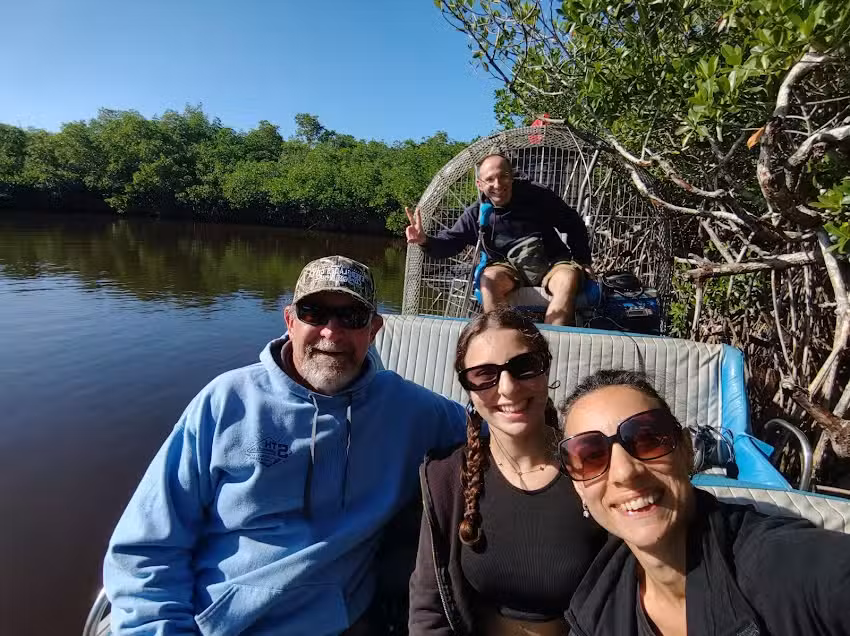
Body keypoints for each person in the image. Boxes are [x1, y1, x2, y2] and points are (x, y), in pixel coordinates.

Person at [103, 256, 468, 636]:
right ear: (290, 321)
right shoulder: (225, 401)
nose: (332, 332)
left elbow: (492, 430)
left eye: (352, 317)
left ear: (373, 330)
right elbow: (147, 547)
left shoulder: (411, 410)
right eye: (315, 313)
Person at [558, 369, 850, 636]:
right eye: (591, 457)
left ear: (687, 451)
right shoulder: (596, 611)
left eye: (647, 439)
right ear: (579, 488)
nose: (625, 472)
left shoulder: (777, 566)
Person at [409, 308, 607, 636]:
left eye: (523, 366)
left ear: (545, 369)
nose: (508, 388)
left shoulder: (595, 466)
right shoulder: (446, 480)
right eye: (483, 374)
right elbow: (429, 608)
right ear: (468, 388)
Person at [404, 154, 592, 325]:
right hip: (507, 267)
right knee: (488, 279)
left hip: (552, 263)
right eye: (490, 179)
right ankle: (503, 338)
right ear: (480, 184)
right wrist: (424, 240)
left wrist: (583, 259)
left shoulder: (538, 196)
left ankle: (552, 341)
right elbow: (450, 243)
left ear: (512, 177)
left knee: (568, 278)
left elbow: (573, 223)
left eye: (503, 176)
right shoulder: (476, 214)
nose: (497, 184)